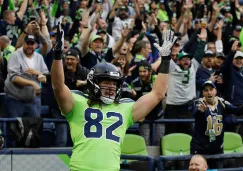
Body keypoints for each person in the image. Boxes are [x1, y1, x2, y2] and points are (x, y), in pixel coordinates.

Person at [51, 24, 175, 171]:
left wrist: (166, 60)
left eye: (114, 84)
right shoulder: (78, 102)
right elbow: (58, 86)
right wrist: (58, 56)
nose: (111, 87)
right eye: (106, 83)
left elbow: (158, 94)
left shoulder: (125, 108)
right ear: (93, 83)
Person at [191, 80, 243, 168]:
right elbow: (195, 113)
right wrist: (201, 111)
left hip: (217, 148)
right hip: (201, 149)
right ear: (203, 92)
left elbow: (236, 111)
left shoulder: (221, 102)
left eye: (211, 89)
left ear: (215, 91)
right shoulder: (199, 102)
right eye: (206, 90)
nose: (209, 92)